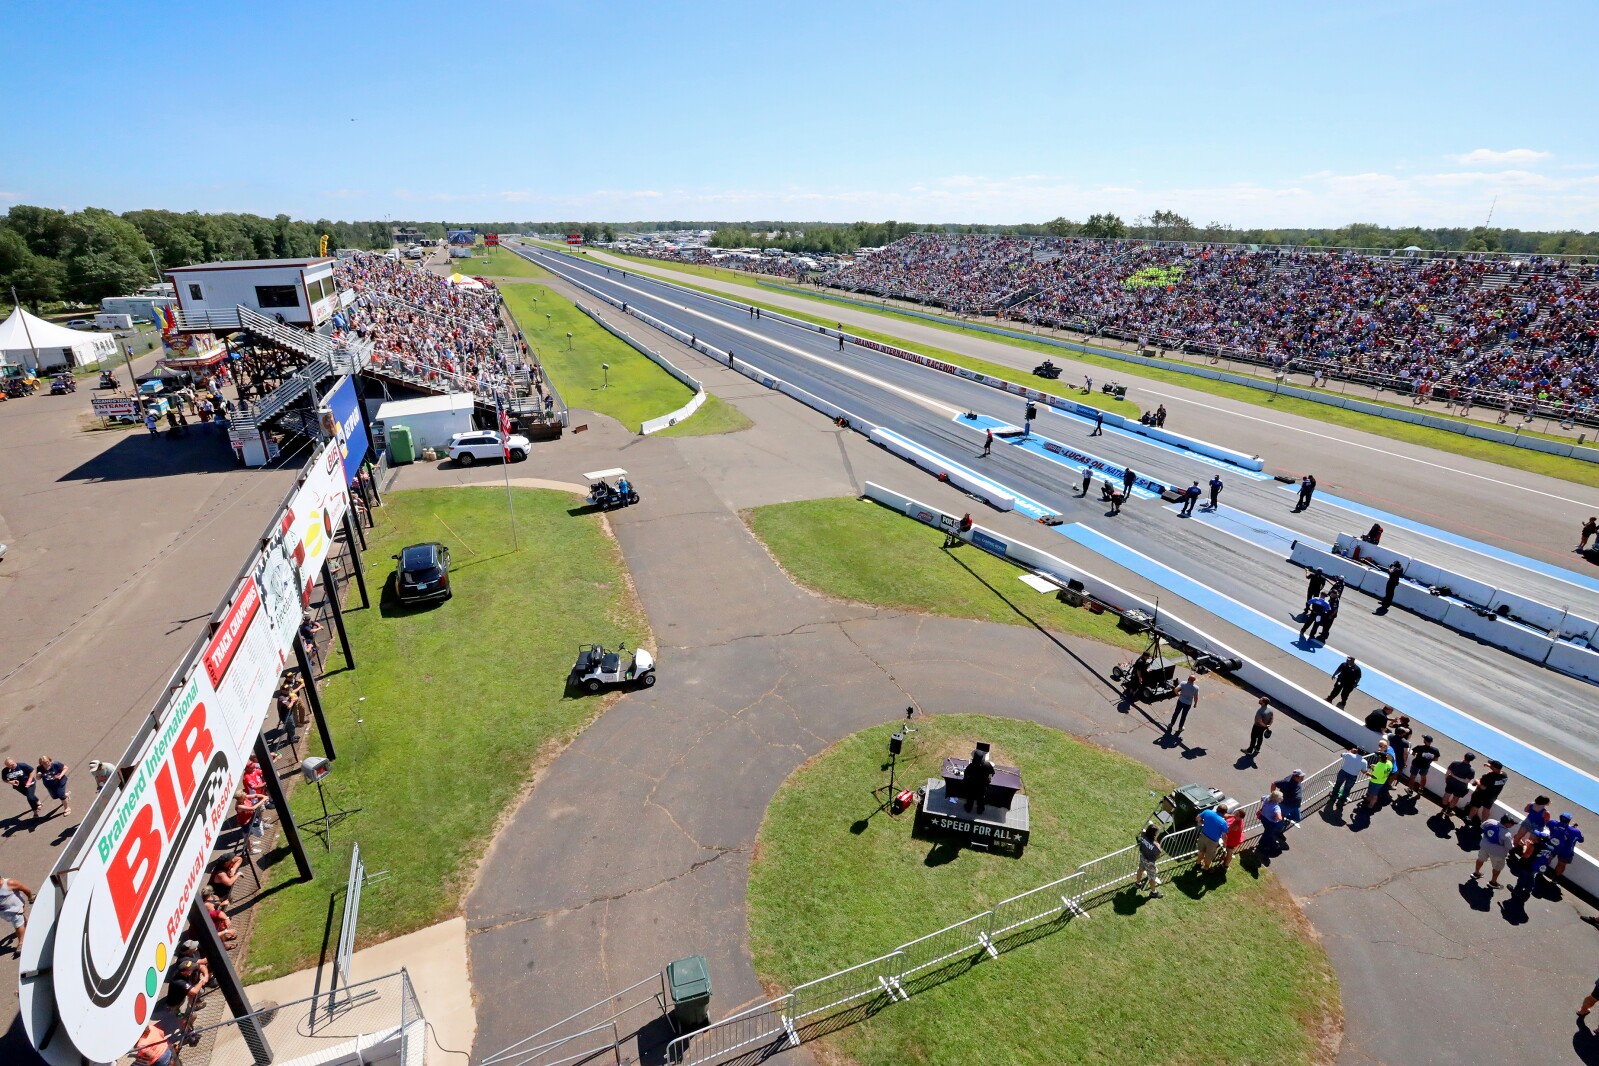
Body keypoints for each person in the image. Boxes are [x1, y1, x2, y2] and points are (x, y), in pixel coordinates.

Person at [1473, 815, 1516, 888]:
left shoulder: (1490, 821)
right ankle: (1493, 882)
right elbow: (1509, 847)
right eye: (1512, 823)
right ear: (1507, 824)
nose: (1513, 824)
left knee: (1480, 859)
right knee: (1497, 867)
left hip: (1484, 846)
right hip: (1497, 853)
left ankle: (1476, 873)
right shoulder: (1506, 834)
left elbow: (1482, 826)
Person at [1464, 760, 1508, 826]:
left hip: (1481, 795)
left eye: (1492, 766)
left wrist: (1477, 781)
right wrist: (1490, 767)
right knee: (1487, 809)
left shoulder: (1488, 777)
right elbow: (1496, 774)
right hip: (1492, 796)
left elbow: (1483, 787)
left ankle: (1469, 818)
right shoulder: (1504, 776)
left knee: (1475, 806)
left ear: (1494, 768)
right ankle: (1483, 823)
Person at [0, 873, 33, 954]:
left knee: (18, 925)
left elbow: (26, 889)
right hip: (4, 912)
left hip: (15, 909)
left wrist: (30, 898)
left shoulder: (9, 883)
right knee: (20, 920)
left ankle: (21, 943)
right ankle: (29, 924)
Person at [1549, 813, 1584, 878]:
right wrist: (1573, 828)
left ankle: (1540, 871)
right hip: (1566, 851)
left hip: (1552, 846)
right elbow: (1581, 840)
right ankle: (1555, 878)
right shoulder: (1576, 832)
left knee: (1547, 858)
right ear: (1569, 820)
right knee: (1561, 865)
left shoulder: (1553, 823)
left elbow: (1550, 825)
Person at [1133, 824, 1164, 898]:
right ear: (1154, 834)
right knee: (1152, 877)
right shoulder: (1156, 845)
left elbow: (1142, 833)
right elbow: (1158, 855)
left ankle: (1138, 883)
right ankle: (1153, 892)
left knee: (1140, 869)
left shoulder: (1143, 836)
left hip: (1143, 857)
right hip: (1150, 862)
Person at [1197, 803, 1229, 871]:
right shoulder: (1223, 823)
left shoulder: (1207, 812)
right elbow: (1224, 836)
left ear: (1217, 809)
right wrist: (1225, 844)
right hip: (1213, 841)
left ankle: (1198, 863)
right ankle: (1206, 868)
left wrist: (1203, 823)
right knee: (1209, 856)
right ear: (1224, 813)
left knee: (1201, 851)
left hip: (1203, 835)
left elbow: (1197, 818)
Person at [1259, 790, 1287, 856]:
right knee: (1267, 833)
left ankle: (1263, 844)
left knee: (1267, 831)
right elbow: (1279, 817)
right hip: (1271, 823)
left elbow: (1262, 798)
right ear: (1277, 799)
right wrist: (1275, 818)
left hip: (1263, 817)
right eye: (1280, 798)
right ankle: (1261, 846)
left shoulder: (1267, 798)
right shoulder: (1276, 807)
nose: (1282, 799)